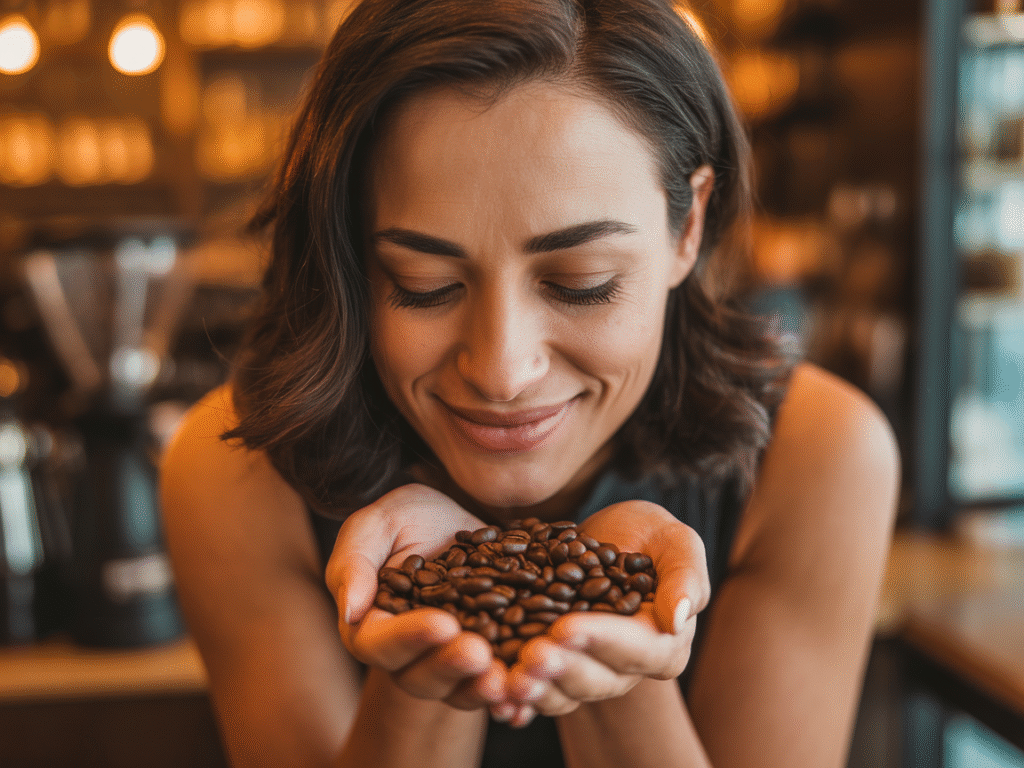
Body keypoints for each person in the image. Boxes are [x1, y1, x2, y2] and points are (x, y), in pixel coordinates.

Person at [159, 0, 900, 766]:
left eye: (582, 283)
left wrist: (613, 626)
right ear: (351, 256)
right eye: (423, 283)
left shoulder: (820, 454)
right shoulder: (232, 470)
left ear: (690, 226)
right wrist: (432, 611)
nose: (502, 371)